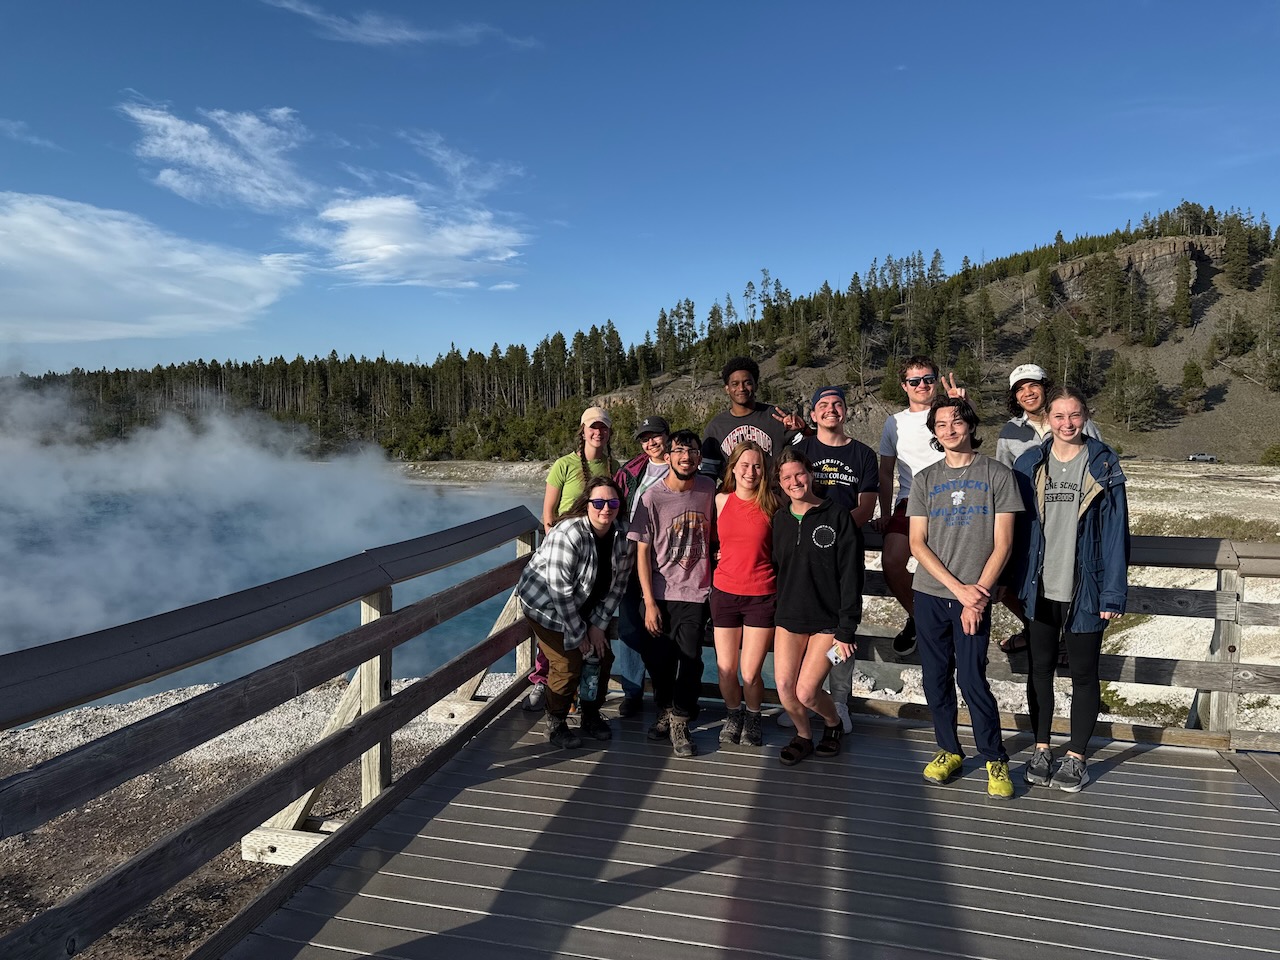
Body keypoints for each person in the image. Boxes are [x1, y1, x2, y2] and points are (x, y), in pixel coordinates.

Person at [1012, 386, 1129, 793]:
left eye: (1074, 415)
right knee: (1040, 669)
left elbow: (1116, 532)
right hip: (1039, 584)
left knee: (1083, 673)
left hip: (1087, 585)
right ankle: (1042, 748)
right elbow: (1014, 528)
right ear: (1047, 419)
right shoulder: (1030, 463)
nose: (1067, 423)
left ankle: (1077, 757)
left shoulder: (1103, 463)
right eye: (1059, 416)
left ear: (1085, 416)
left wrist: (1113, 593)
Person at [906, 397, 1019, 799]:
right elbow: (917, 543)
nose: (949, 430)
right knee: (935, 678)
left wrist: (976, 597)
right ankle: (949, 749)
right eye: (941, 425)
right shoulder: (925, 480)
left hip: (976, 595)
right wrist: (960, 592)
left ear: (970, 425)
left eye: (956, 422)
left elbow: (1004, 543)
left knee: (972, 678)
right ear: (934, 433)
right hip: (932, 594)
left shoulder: (997, 474)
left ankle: (994, 756)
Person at [516, 476, 636, 749]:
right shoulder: (568, 533)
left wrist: (598, 625)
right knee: (567, 662)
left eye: (613, 503)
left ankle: (590, 715)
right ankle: (555, 723)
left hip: (584, 606)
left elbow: (618, 585)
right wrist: (579, 633)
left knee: (601, 656)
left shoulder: (623, 535)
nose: (605, 509)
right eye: (598, 502)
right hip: (545, 606)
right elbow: (559, 591)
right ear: (586, 504)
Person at [994, 363, 1102, 656]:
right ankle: (1035, 631)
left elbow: (1100, 469)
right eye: (1020, 389)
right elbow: (1004, 480)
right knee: (1013, 579)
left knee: (1073, 580)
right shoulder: (1009, 433)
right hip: (1029, 522)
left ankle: (1069, 639)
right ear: (1014, 396)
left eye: (1033, 385)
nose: (1027, 393)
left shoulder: (1078, 422)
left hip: (1072, 521)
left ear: (1046, 387)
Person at [789, 385, 878, 734]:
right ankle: (804, 699)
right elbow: (787, 494)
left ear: (845, 411)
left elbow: (866, 507)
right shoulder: (802, 450)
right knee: (804, 624)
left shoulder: (863, 454)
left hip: (844, 551)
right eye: (823, 405)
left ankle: (839, 698)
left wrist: (833, 532)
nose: (831, 409)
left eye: (837, 404)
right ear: (813, 415)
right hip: (804, 555)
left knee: (843, 626)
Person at [771, 447, 864, 766]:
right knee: (785, 688)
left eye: (799, 473)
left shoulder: (837, 516)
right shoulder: (780, 520)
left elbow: (852, 576)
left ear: (810, 474)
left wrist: (847, 630)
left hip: (829, 625)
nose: (794, 481)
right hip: (789, 619)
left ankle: (833, 723)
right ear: (780, 483)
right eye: (786, 477)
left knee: (807, 691)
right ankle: (803, 735)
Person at [525, 406, 621, 711]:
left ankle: (582, 695)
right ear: (583, 430)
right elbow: (548, 512)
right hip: (566, 549)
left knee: (591, 629)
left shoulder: (614, 466)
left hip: (598, 551)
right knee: (559, 632)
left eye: (603, 428)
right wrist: (555, 547)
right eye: (593, 427)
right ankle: (547, 684)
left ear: (609, 432)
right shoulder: (564, 465)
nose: (598, 432)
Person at [628, 429, 716, 758]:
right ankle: (665, 710)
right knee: (658, 661)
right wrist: (649, 601)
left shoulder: (708, 489)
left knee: (691, 659)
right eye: (679, 451)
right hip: (660, 592)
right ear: (667, 457)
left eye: (692, 451)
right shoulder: (652, 497)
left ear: (699, 458)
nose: (686, 457)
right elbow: (641, 552)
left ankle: (680, 719)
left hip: (695, 590)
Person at [874, 357, 965, 659]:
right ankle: (919, 617)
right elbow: (886, 471)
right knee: (892, 561)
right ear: (904, 386)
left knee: (951, 565)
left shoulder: (950, 413)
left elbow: (970, 444)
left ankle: (954, 626)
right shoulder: (894, 423)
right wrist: (885, 513)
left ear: (936, 381)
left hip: (950, 501)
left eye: (928, 379)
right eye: (914, 381)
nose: (922, 385)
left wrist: (962, 407)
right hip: (910, 501)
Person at [711, 440, 777, 748]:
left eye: (757, 466)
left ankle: (753, 716)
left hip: (761, 594)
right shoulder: (721, 500)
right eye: (745, 465)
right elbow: (711, 538)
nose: (751, 472)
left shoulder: (772, 504)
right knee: (726, 669)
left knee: (750, 673)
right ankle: (733, 714)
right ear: (733, 468)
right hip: (725, 593)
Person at [611, 415, 671, 717]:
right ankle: (632, 692)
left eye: (655, 436)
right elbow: (613, 505)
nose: (650, 443)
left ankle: (664, 693)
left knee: (662, 627)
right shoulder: (632, 471)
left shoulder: (683, 466)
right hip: (631, 557)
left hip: (668, 561)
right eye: (645, 439)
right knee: (630, 626)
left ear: (668, 435)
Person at [700, 356, 804, 480]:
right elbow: (708, 471)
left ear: (756, 386)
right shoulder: (716, 426)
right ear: (727, 389)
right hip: (734, 491)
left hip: (772, 490)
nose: (741, 388)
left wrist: (804, 429)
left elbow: (809, 448)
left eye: (747, 383)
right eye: (735, 384)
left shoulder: (776, 416)